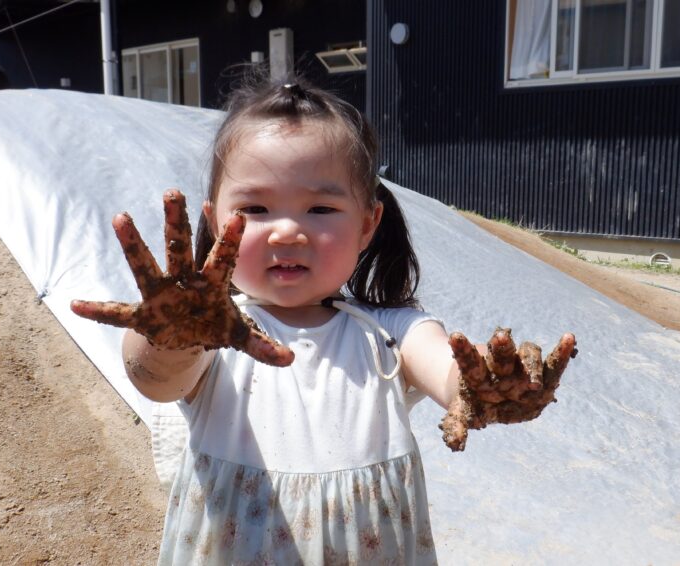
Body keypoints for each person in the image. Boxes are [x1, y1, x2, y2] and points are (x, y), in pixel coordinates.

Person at [71, 75, 576, 565]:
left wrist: (480, 384)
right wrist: (169, 338)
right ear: (212, 220)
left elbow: (444, 367)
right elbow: (155, 379)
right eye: (255, 207)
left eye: (319, 207)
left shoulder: (390, 331)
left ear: (366, 225)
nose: (288, 231)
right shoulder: (213, 336)